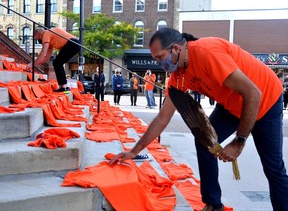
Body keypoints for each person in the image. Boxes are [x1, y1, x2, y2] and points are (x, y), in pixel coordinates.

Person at [110, 27, 288, 211]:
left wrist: (239, 142)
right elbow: (162, 118)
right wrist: (134, 151)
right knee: (204, 142)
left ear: (176, 49)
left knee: (273, 168)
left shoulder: (206, 52)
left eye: (160, 57)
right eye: (155, 59)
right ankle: (213, 204)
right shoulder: (178, 77)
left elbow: (253, 94)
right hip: (231, 105)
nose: (158, 63)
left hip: (265, 99)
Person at [27, 27, 80, 92]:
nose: (36, 38)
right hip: (74, 44)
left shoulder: (46, 34)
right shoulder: (50, 38)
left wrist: (31, 64)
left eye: (36, 36)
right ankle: (64, 86)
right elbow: (46, 58)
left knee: (57, 63)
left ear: (39, 33)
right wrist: (34, 65)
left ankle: (64, 86)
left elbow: (43, 53)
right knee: (57, 62)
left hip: (72, 43)